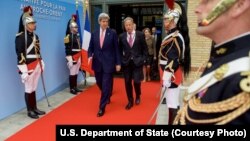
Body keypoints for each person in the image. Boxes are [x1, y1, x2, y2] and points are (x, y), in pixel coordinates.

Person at [174, 0, 250, 125]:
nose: (196, 9)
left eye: (206, 1)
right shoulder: (223, 56)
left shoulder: (243, 76)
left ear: (239, 5)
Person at [159, 1, 191, 125]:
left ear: (174, 21)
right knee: (172, 103)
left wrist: (166, 78)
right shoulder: (173, 35)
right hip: (169, 74)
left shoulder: (175, 37)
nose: (164, 21)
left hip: (171, 75)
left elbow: (173, 60)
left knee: (172, 104)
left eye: (167, 19)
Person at [88, 13, 121, 117]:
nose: (105, 23)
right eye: (103, 21)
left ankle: (101, 107)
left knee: (106, 84)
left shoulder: (112, 33)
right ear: (99, 22)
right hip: (97, 63)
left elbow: (116, 49)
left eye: (106, 21)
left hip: (109, 63)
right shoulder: (94, 33)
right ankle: (107, 95)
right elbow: (90, 47)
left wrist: (118, 63)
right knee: (99, 82)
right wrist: (89, 55)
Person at [15, 14, 46, 119]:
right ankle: (29, 110)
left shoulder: (35, 36)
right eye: (32, 23)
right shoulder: (20, 37)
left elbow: (38, 51)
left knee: (33, 88)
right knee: (28, 88)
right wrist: (23, 70)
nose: (34, 25)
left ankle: (34, 108)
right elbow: (20, 54)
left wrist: (41, 62)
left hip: (36, 64)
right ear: (26, 24)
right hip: (28, 65)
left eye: (34, 23)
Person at [119, 17, 148, 110]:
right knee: (127, 82)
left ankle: (138, 95)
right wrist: (121, 60)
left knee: (136, 81)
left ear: (133, 24)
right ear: (124, 26)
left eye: (129, 25)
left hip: (137, 62)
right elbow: (119, 50)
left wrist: (143, 59)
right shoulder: (122, 36)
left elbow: (145, 49)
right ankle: (130, 101)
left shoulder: (140, 35)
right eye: (126, 25)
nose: (128, 27)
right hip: (126, 63)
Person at [64, 20, 82, 94]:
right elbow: (67, 49)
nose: (77, 28)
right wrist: (70, 59)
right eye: (75, 27)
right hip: (73, 57)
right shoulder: (68, 37)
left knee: (76, 72)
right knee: (72, 73)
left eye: (77, 27)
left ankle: (75, 87)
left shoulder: (76, 36)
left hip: (78, 56)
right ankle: (72, 89)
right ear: (71, 28)